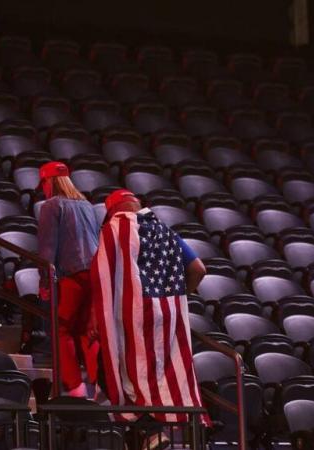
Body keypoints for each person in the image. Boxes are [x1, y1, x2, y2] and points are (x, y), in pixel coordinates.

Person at [89, 189, 208, 447]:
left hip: (130, 318)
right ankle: (180, 434)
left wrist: (98, 318)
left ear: (111, 210)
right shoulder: (167, 231)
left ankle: (149, 433)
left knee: (112, 373)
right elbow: (199, 269)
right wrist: (175, 298)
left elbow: (102, 277)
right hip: (168, 317)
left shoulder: (114, 229)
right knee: (159, 376)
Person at [37, 161, 100, 397]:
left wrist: (44, 283)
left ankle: (75, 387)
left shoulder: (51, 206)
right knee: (87, 332)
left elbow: (47, 249)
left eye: (43, 183)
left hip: (71, 275)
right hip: (94, 274)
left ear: (48, 182)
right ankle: (99, 383)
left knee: (61, 329)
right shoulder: (87, 205)